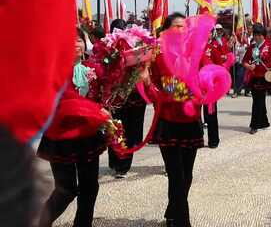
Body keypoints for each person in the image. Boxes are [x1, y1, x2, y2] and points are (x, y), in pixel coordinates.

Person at [38, 28, 110, 227]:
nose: (77, 44)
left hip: (87, 136)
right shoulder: (54, 71)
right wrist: (96, 111)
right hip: (61, 137)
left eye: (80, 40)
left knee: (90, 187)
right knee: (65, 189)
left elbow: (103, 93)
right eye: (71, 41)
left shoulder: (91, 68)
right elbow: (67, 100)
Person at [145, 12, 204, 227]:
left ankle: (172, 211)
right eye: (176, 26)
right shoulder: (158, 55)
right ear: (167, 30)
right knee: (175, 174)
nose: (181, 30)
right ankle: (182, 221)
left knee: (186, 174)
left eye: (184, 27)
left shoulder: (195, 53)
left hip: (191, 120)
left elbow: (207, 73)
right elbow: (152, 87)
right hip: (168, 120)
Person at [107, 19, 147, 178]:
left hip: (135, 98)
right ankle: (114, 160)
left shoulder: (137, 46)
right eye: (116, 29)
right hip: (115, 98)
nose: (120, 32)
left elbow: (144, 65)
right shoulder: (107, 48)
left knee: (129, 131)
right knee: (115, 129)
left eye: (122, 29)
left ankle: (123, 165)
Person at [202, 23, 230, 148]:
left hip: (210, 87)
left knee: (211, 113)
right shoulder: (193, 48)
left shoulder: (212, 48)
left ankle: (213, 140)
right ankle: (197, 139)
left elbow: (219, 66)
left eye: (208, 32)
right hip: (196, 86)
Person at [243, 24, 271, 134]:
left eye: (259, 35)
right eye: (255, 35)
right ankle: (264, 123)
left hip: (264, 77)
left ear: (263, 35)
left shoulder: (269, 46)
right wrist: (248, 66)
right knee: (259, 100)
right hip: (253, 77)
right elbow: (244, 61)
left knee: (258, 101)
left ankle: (254, 125)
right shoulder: (251, 47)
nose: (256, 37)